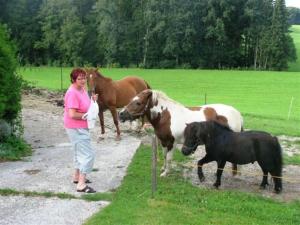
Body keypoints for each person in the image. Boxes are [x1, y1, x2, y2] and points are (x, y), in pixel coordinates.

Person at [64, 68, 98, 193]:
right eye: (79, 78)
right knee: (88, 154)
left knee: (78, 151)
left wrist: (93, 101)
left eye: (84, 78)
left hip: (81, 125)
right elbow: (72, 114)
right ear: (73, 79)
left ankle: (76, 177)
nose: (83, 80)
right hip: (75, 126)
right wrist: (87, 115)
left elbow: (85, 104)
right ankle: (81, 185)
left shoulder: (82, 89)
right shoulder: (72, 93)